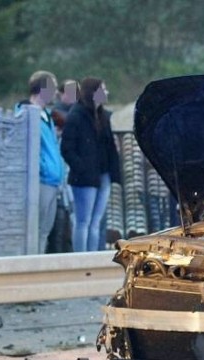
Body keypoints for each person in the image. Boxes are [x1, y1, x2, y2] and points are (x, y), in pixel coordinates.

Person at [61, 77, 121, 252]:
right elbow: (67, 148)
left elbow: (109, 146)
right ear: (93, 93)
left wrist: (113, 172)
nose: (107, 92)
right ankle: (80, 259)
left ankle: (92, 258)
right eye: (103, 89)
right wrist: (82, 168)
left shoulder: (103, 116)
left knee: (95, 222)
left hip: (102, 175)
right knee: (83, 222)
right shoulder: (76, 116)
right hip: (84, 178)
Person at [16, 71, 65, 254]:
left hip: (53, 180)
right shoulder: (26, 112)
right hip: (42, 180)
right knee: (36, 229)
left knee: (45, 230)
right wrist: (44, 169)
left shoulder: (46, 115)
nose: (55, 93)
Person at [47, 79, 79, 254]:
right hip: (59, 172)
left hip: (64, 171)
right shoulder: (56, 113)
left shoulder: (74, 112)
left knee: (69, 216)